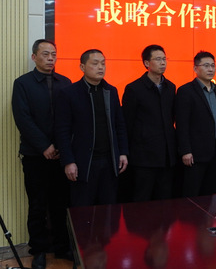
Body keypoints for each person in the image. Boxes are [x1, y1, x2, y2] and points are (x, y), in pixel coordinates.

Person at [11, 39, 72, 268]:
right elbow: (23, 118)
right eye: (45, 54)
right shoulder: (23, 83)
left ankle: (62, 247)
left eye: (53, 54)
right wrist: (44, 146)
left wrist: (60, 146)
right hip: (35, 156)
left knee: (60, 204)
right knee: (37, 205)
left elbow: (70, 118)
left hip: (61, 155)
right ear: (34, 57)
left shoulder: (65, 82)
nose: (50, 58)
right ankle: (38, 251)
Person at [55, 49, 128, 207]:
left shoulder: (111, 91)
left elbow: (119, 125)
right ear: (82, 67)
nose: (100, 67)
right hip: (83, 162)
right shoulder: (69, 93)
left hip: (109, 161)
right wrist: (68, 161)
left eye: (103, 63)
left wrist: (122, 152)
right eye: (95, 63)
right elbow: (62, 131)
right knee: (83, 210)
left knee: (108, 210)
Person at [121, 44, 176, 202]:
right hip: (143, 157)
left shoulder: (170, 87)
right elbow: (127, 123)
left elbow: (172, 118)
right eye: (158, 59)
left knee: (164, 201)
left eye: (164, 59)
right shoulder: (134, 89)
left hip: (166, 157)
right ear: (146, 63)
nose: (163, 63)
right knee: (142, 199)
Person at [175, 51, 216, 196]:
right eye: (206, 66)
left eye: (213, 66)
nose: (210, 69)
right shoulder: (185, 91)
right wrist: (185, 150)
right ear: (195, 68)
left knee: (211, 193)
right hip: (195, 153)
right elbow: (182, 124)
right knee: (192, 192)